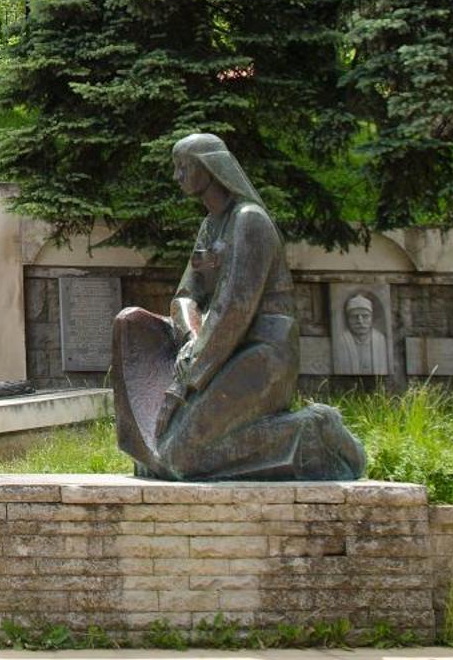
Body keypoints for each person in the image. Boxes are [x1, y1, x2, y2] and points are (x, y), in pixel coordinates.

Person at [111, 133, 364, 481]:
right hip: (214, 351)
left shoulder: (250, 221)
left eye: (183, 167)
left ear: (209, 168)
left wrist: (185, 380)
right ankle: (290, 442)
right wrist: (190, 336)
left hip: (262, 354)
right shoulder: (209, 226)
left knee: (180, 458)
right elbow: (185, 296)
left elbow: (235, 311)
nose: (177, 176)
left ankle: (311, 430)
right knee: (168, 453)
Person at [334, 292, 389, 376]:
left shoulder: (380, 340)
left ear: (371, 318)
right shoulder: (342, 341)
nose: (360, 321)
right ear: (347, 319)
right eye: (355, 316)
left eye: (365, 316)